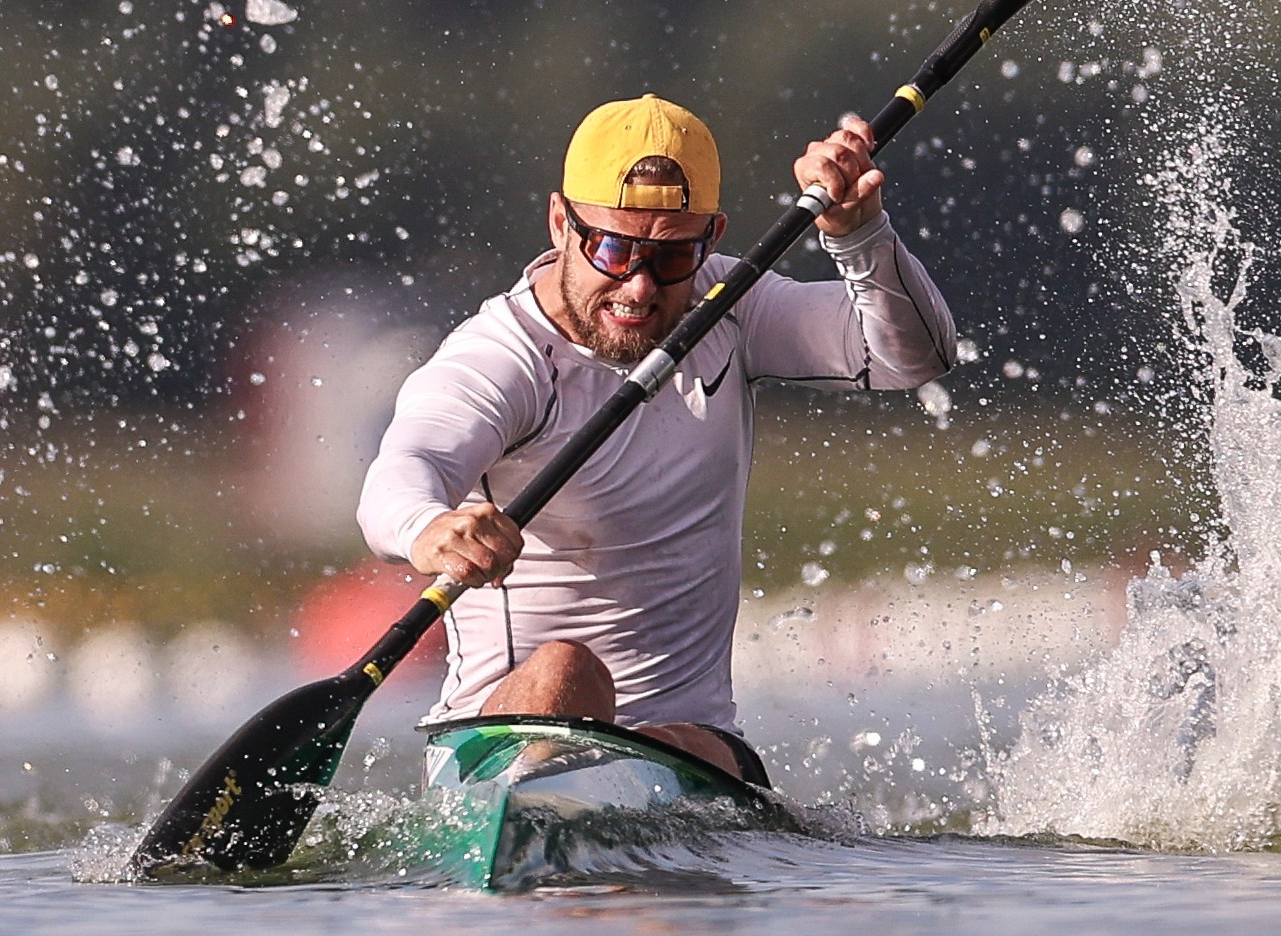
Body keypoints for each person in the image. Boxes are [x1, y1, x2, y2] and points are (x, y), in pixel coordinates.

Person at [356, 93, 955, 783]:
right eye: (613, 248)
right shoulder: (504, 357)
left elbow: (911, 357)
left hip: (681, 750)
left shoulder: (729, 305)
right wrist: (431, 528)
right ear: (560, 223)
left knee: (691, 748)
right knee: (565, 670)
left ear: (713, 236)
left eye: (672, 257)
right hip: (500, 740)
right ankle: (545, 814)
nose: (639, 287)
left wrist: (859, 234)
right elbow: (403, 469)